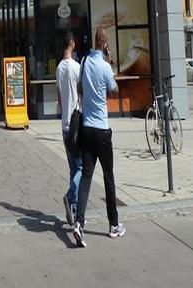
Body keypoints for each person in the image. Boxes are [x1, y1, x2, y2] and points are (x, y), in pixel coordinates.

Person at [73, 27, 125, 248]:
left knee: (86, 176)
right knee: (108, 177)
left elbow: (79, 88)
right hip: (102, 130)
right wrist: (111, 64)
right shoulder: (105, 67)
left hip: (86, 128)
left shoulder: (84, 62)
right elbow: (114, 90)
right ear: (105, 44)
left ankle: (79, 222)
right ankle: (114, 225)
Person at [56, 32, 82, 227]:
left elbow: (59, 96)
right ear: (71, 43)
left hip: (65, 123)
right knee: (80, 167)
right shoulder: (76, 67)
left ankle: (72, 210)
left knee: (73, 167)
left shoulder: (58, 68)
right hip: (77, 124)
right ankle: (70, 196)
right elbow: (82, 93)